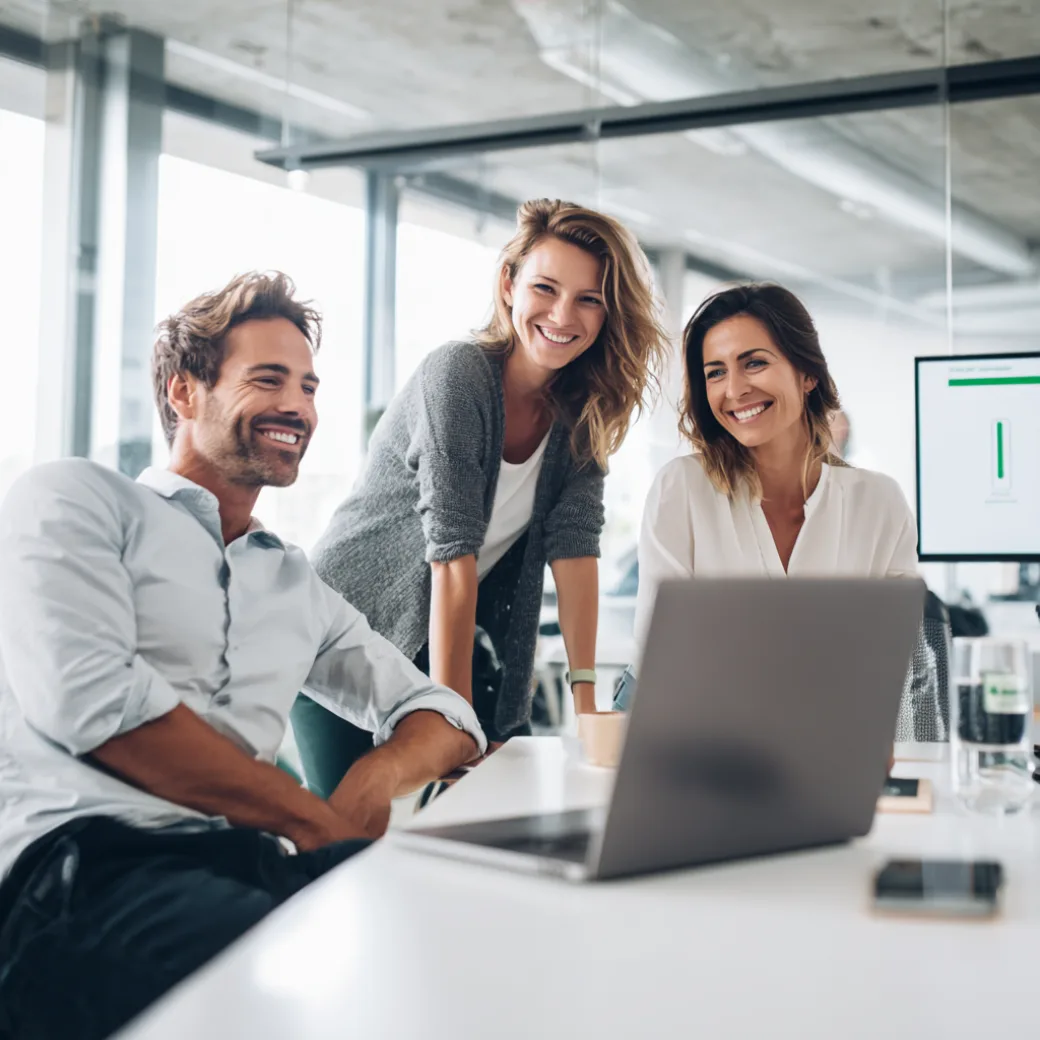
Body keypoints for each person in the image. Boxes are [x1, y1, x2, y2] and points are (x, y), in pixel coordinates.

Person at [0, 272, 486, 1040]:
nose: (298, 407)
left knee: (473, 939)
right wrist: (313, 820)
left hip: (242, 862)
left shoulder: (294, 580)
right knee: (328, 996)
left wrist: (374, 778)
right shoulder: (75, 501)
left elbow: (445, 715)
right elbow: (93, 707)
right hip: (80, 872)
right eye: (268, 380)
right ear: (183, 392)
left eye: (309, 386)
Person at [293, 198, 669, 797]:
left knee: (467, 825)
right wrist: (454, 719)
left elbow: (575, 558)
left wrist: (588, 705)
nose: (562, 314)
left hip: (436, 641)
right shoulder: (459, 375)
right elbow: (453, 559)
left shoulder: (581, 414)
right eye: (545, 288)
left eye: (589, 299)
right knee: (346, 840)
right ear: (508, 285)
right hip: (342, 630)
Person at [615, 282, 942, 741]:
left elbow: (897, 662)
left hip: (832, 748)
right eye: (714, 372)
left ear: (807, 373)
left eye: (755, 363)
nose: (734, 389)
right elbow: (663, 651)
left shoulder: (878, 502)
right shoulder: (682, 489)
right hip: (694, 746)